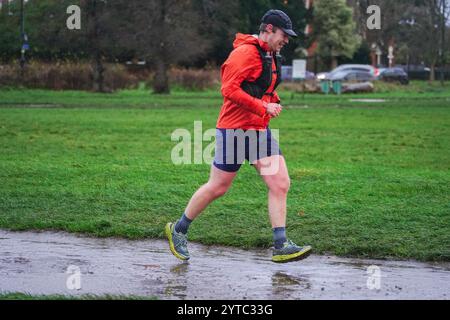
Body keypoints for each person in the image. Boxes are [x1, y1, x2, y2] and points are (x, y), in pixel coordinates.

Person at [165, 9, 312, 263]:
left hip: (258, 131)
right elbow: (229, 89)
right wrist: (262, 106)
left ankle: (281, 244)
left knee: (280, 183)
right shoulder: (244, 53)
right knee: (218, 187)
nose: (286, 40)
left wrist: (272, 101)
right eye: (283, 34)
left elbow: (260, 88)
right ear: (268, 29)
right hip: (234, 129)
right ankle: (178, 229)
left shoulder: (271, 55)